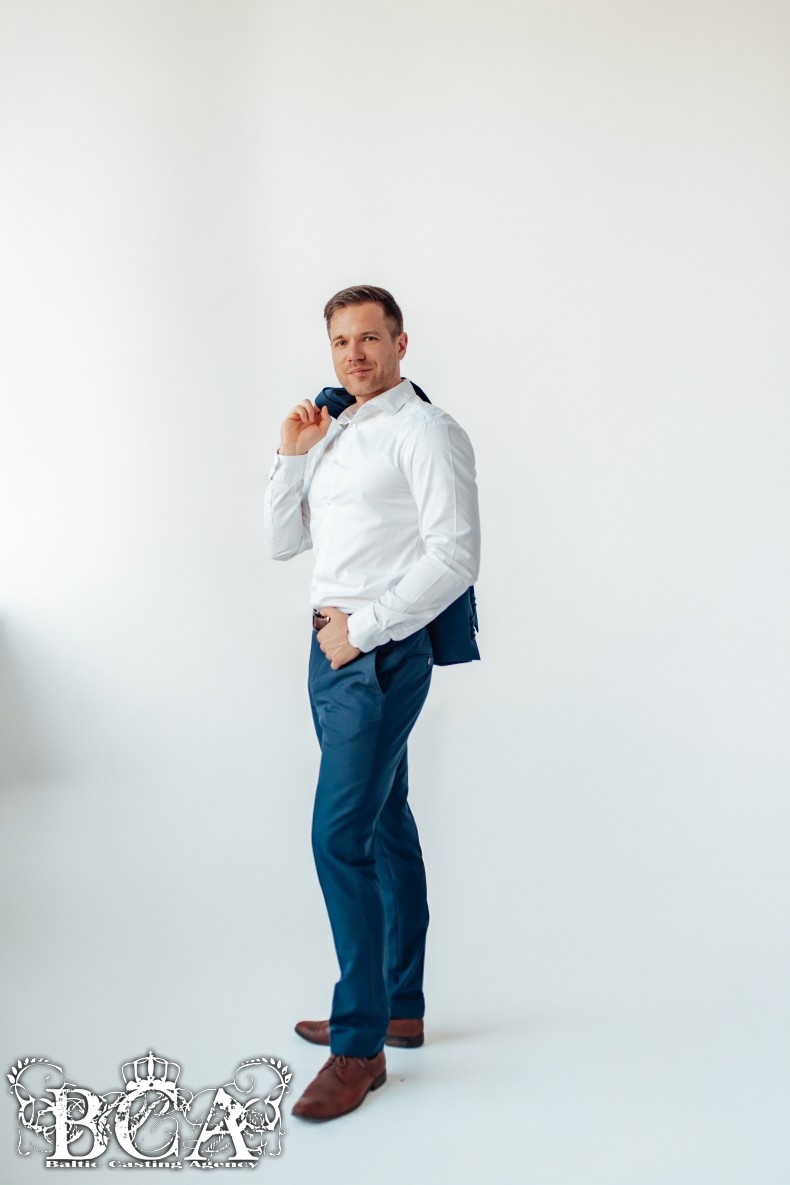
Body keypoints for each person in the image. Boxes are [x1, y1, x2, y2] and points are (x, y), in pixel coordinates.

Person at [264, 285, 481, 1121]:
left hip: (377, 654)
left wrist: (363, 631)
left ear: (400, 342)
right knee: (383, 821)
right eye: (341, 341)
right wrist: (292, 456)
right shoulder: (336, 428)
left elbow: (455, 555)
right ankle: (398, 1006)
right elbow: (284, 542)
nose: (354, 354)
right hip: (332, 649)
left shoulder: (426, 431)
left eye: (369, 338)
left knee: (337, 836)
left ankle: (360, 1046)